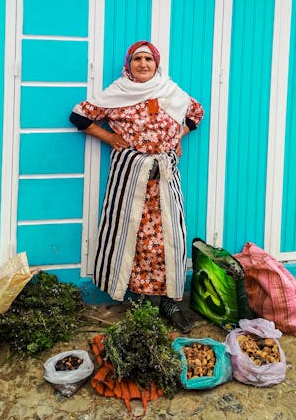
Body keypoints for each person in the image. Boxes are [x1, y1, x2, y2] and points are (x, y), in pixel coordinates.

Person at [69, 40, 204, 332]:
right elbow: (79, 116)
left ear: (157, 64)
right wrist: (109, 138)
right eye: (137, 59)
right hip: (131, 182)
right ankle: (141, 303)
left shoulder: (171, 91)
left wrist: (177, 136)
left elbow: (195, 114)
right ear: (128, 65)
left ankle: (170, 301)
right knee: (136, 240)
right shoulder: (118, 93)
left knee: (170, 238)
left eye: (148, 59)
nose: (143, 64)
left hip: (165, 182)